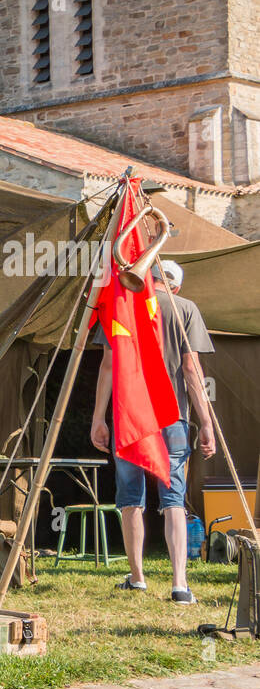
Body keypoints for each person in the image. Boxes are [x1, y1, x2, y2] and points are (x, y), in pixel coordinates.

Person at [91, 259, 216, 604]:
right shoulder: (185, 308)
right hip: (172, 416)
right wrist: (206, 423)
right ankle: (179, 585)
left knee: (131, 497)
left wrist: (98, 418)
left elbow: (107, 364)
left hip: (130, 416)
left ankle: (138, 577)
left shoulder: (123, 304)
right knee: (173, 498)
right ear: (175, 286)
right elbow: (192, 370)